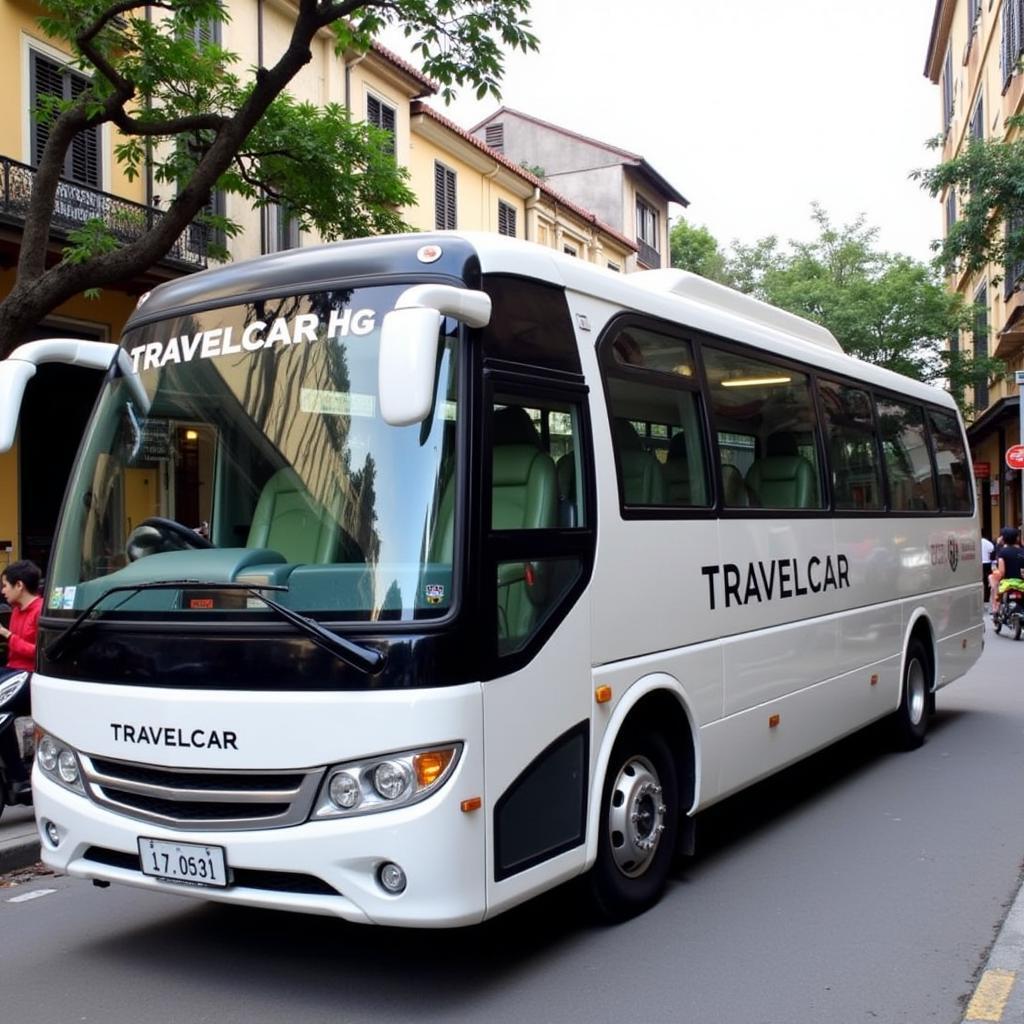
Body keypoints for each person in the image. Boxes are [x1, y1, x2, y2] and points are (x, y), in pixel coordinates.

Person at [0, 560, 42, 802]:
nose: (3, 591)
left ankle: (18, 777)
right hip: (13, 671)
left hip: (29, 677)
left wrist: (7, 635)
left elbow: (38, 652)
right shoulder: (15, 610)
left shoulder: (40, 610)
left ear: (19, 585)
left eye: (5, 585)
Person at [981, 533, 995, 603]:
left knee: (980, 581)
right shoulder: (988, 543)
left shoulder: (976, 542)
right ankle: (986, 599)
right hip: (987, 563)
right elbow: (992, 550)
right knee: (987, 582)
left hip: (978, 564)